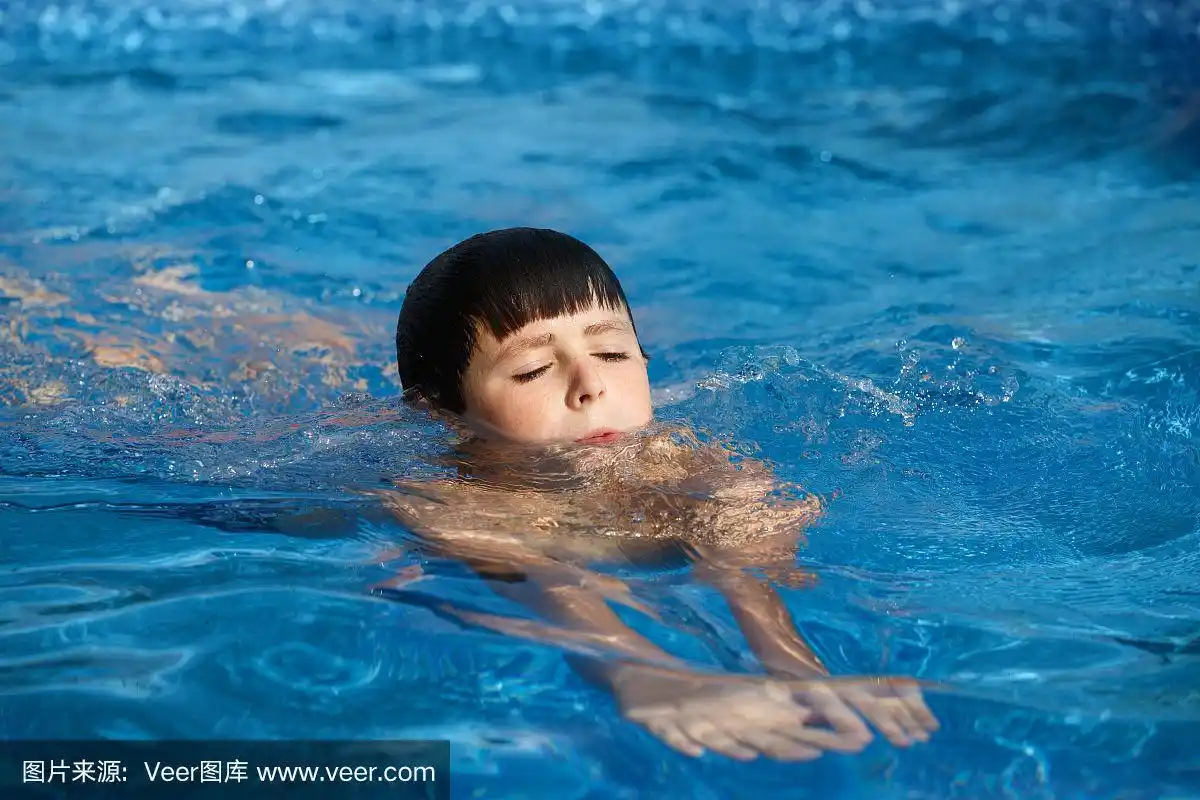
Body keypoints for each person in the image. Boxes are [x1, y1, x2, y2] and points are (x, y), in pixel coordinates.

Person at [375, 227, 939, 762]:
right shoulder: (443, 499)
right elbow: (542, 583)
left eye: (614, 354)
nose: (591, 385)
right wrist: (639, 665)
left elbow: (751, 568)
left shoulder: (696, 469)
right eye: (534, 369)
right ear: (442, 412)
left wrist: (798, 665)